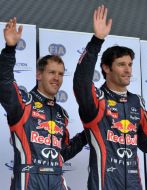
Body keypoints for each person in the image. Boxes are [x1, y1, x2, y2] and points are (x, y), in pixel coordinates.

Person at [0, 17, 87, 190]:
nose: (57, 78)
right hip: (27, 181)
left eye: (61, 74)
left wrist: (88, 134)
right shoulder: (24, 103)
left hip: (56, 180)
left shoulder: (62, 114)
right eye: (52, 72)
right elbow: (4, 83)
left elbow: (63, 153)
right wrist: (9, 50)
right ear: (39, 75)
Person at [73, 5, 147, 190]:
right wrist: (97, 41)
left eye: (130, 64)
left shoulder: (136, 102)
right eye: (121, 64)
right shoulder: (97, 100)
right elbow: (81, 83)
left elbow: (146, 144)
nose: (128, 70)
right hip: (103, 184)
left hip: (133, 185)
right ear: (106, 68)